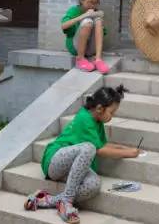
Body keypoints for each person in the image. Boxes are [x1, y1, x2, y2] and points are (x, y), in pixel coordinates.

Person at [27, 85, 140, 223]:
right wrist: (129, 154)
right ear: (99, 108)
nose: (113, 116)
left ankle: (50, 200)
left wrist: (123, 148)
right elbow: (100, 150)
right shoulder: (85, 118)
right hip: (55, 161)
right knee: (89, 148)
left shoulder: (97, 121)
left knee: (94, 184)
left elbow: (102, 144)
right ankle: (67, 201)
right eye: (111, 112)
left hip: (71, 168)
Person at [61, 0, 109, 74]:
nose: (92, 6)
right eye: (89, 2)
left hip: (90, 50)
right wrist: (84, 16)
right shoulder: (74, 10)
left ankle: (98, 59)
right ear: (81, 0)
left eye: (95, 3)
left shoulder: (95, 11)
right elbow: (63, 26)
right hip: (76, 48)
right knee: (87, 21)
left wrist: (99, 18)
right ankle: (80, 58)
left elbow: (102, 33)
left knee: (98, 21)